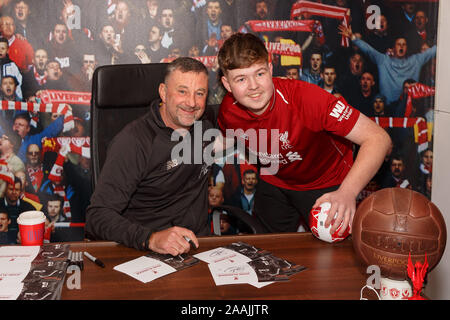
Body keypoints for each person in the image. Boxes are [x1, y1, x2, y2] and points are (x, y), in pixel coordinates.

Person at [217, 33, 392, 235]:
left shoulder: (307, 99)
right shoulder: (228, 111)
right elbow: (226, 139)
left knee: (332, 259)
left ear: (271, 70)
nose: (253, 86)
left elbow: (378, 138)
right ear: (227, 85)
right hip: (275, 179)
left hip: (326, 182)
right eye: (241, 79)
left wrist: (347, 192)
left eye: (259, 74)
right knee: (266, 251)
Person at [86, 57, 215, 255]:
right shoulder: (134, 142)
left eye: (200, 93)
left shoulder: (206, 126)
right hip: (146, 251)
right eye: (182, 91)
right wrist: (151, 239)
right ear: (163, 92)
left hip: (200, 246)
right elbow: (97, 216)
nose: (192, 103)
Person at [339, 25, 436, 105]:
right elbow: (369, 50)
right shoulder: (384, 60)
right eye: (398, 44)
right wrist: (353, 37)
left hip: (409, 108)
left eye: (404, 44)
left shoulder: (416, 60)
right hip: (386, 108)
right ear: (393, 48)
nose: (401, 46)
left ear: (407, 48)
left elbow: (432, 51)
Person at [1, 176, 36, 240]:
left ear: (21, 191)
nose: (14, 192)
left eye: (17, 190)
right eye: (11, 189)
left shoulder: (29, 208)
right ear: (5, 189)